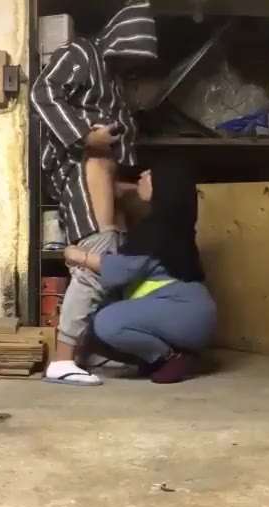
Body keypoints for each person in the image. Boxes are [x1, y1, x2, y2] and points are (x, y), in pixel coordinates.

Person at [31, 1, 158, 387]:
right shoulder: (81, 53)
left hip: (106, 169)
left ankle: (90, 349)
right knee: (96, 257)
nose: (133, 62)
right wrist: (86, 137)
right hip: (78, 163)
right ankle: (62, 360)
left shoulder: (117, 79)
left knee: (114, 255)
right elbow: (42, 92)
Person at [60, 159, 217, 385]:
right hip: (186, 314)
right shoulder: (169, 227)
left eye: (149, 175)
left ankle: (170, 356)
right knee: (97, 327)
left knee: (107, 323)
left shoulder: (158, 232)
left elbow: (120, 269)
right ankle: (162, 358)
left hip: (187, 315)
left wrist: (79, 256)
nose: (141, 176)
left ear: (163, 187)